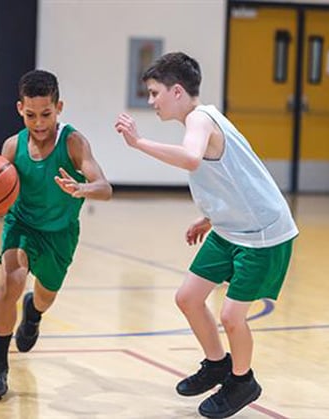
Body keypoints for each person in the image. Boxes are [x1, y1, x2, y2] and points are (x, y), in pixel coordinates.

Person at [114, 52, 298, 418]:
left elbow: (192, 159)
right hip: (231, 227)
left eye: (155, 93)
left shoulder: (199, 119)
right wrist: (210, 217)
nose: (152, 101)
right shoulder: (203, 118)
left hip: (263, 234)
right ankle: (216, 364)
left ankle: (242, 381)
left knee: (231, 316)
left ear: (177, 91)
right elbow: (235, 177)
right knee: (188, 297)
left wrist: (139, 143)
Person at [0, 69, 113, 399]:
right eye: (31, 114)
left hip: (60, 234)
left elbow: (105, 188)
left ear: (59, 107)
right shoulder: (11, 146)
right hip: (21, 225)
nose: (38, 123)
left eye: (46, 114)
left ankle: (34, 311)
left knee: (45, 296)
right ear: (20, 108)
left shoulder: (74, 142)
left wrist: (83, 187)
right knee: (11, 282)